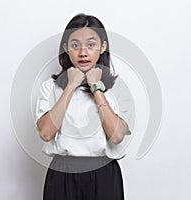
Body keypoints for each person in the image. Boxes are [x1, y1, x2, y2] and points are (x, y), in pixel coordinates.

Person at [35, 13, 134, 200]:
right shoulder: (50, 88)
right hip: (62, 174)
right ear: (66, 48)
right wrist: (71, 85)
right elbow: (46, 132)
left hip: (104, 174)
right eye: (75, 45)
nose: (82, 52)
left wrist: (96, 87)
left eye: (91, 44)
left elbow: (117, 135)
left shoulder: (117, 89)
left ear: (103, 46)